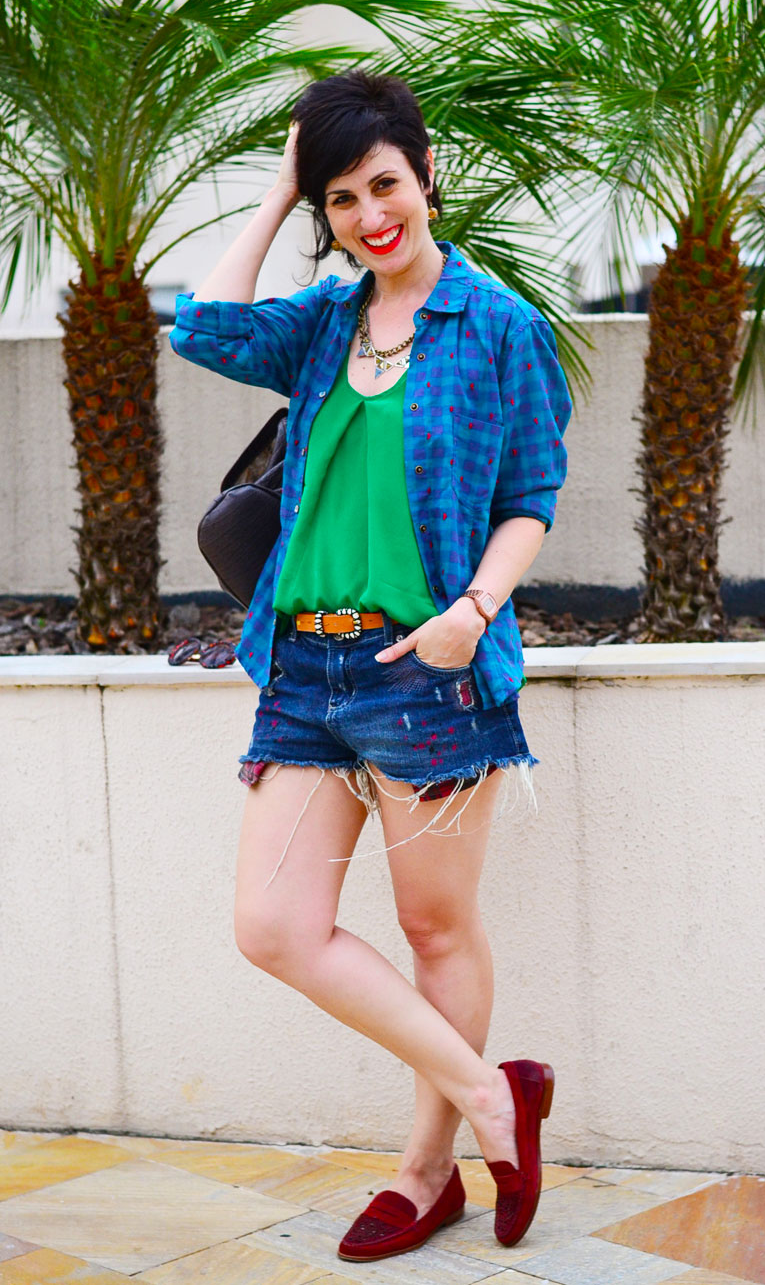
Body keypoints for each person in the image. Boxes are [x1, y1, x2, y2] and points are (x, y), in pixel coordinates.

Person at [169, 69, 570, 1261]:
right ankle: (498, 1094)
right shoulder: (325, 320)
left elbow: (530, 495)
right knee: (272, 925)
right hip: (303, 666)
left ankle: (425, 1170)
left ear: (426, 173)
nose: (368, 215)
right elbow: (203, 324)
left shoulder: (497, 324)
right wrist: (282, 185)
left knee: (435, 929)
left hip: (427, 669)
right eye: (340, 198)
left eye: (383, 183)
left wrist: (471, 612)